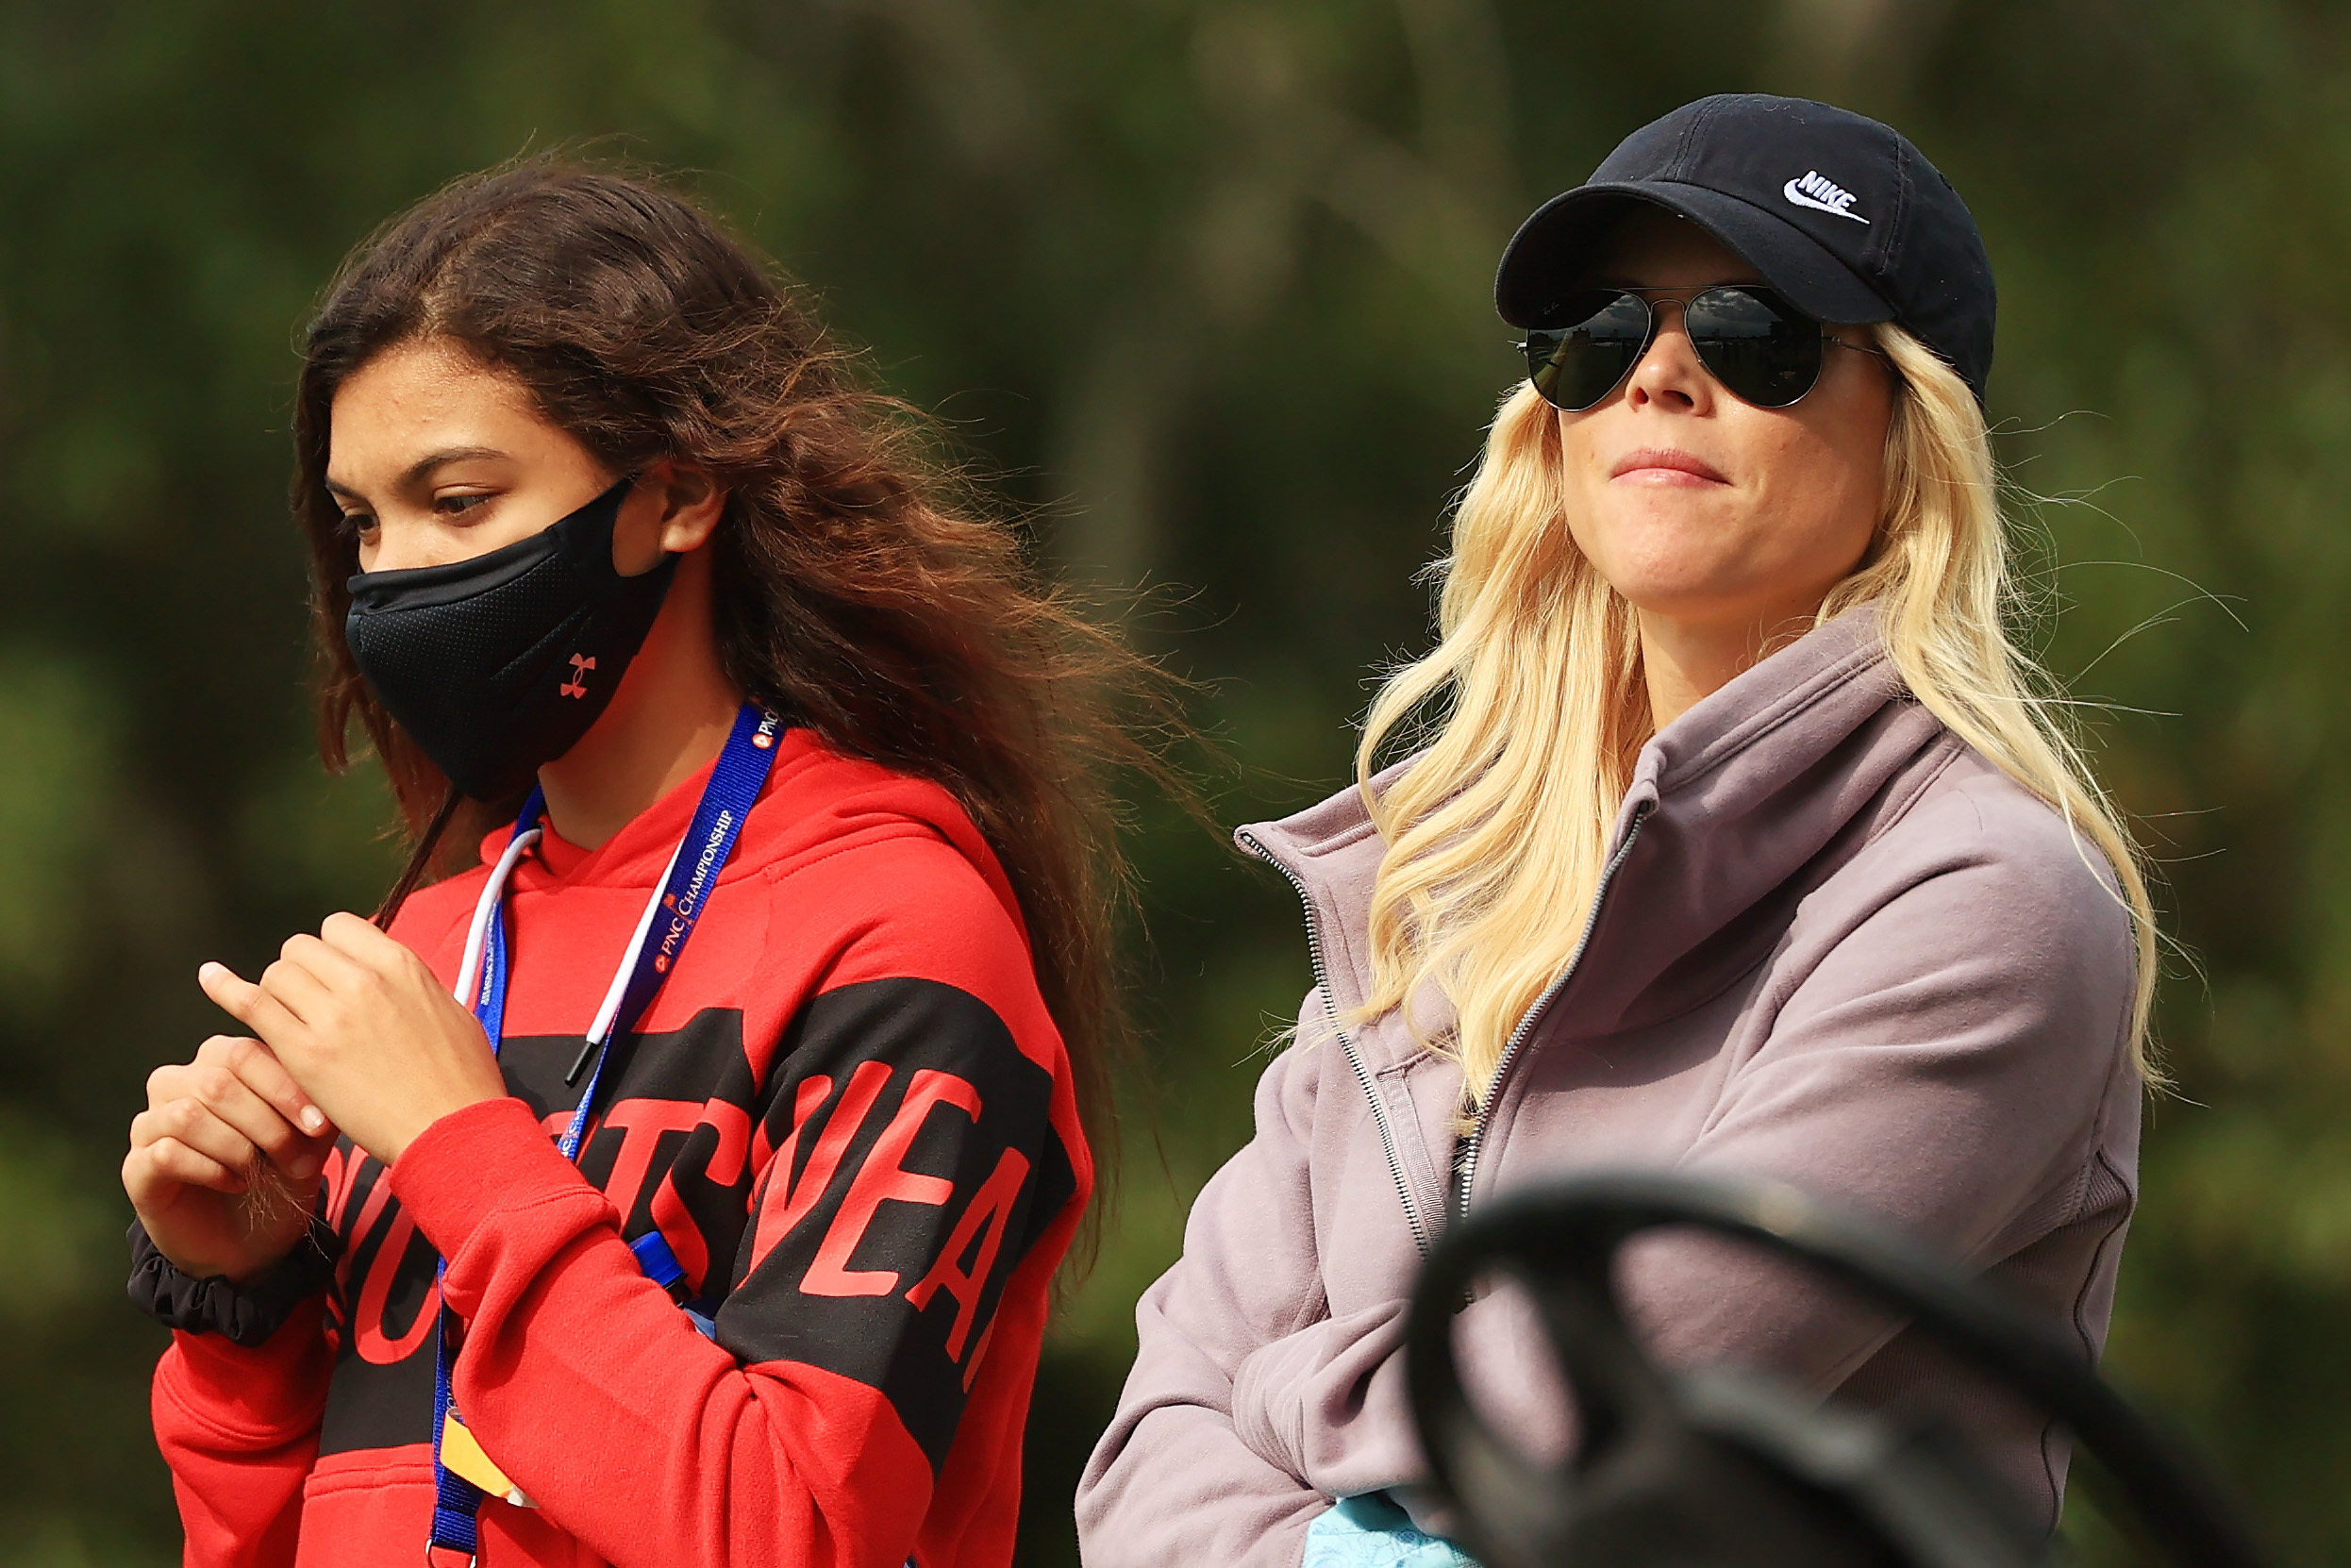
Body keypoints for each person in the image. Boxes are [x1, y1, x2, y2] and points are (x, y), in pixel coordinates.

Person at [1076, 93, 2152, 1567]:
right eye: (1595, 331)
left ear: (1914, 436)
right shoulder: (1434, 881)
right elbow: (1143, 1453)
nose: (1658, 374)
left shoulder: (1986, 899)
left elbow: (1571, 1420)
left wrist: (1281, 1412)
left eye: (1752, 330)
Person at [120, 160, 1153, 1568]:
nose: (396, 579)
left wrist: (455, 1150)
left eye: (461, 500)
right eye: (364, 521)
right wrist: (238, 1292)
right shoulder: (429, 949)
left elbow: (793, 1527)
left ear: (674, 493)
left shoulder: (897, 927)